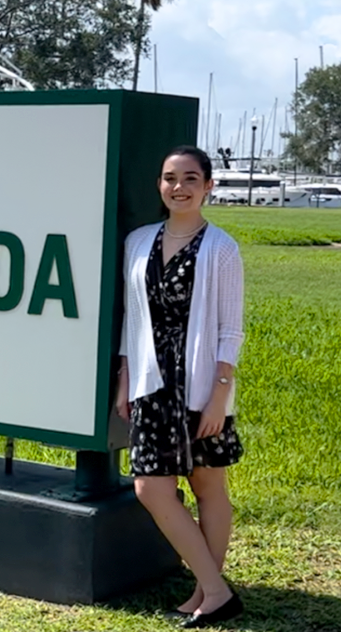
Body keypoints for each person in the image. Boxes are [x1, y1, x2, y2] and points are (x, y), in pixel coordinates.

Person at [116, 145, 246, 629]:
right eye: (170, 178)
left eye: (191, 178)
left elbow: (231, 330)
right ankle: (217, 589)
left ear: (208, 186)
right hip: (153, 381)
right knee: (152, 487)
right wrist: (126, 377)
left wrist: (219, 394)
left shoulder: (221, 248)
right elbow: (133, 317)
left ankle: (206, 593)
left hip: (201, 384)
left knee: (207, 483)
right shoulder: (138, 241)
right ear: (159, 185)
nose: (179, 187)